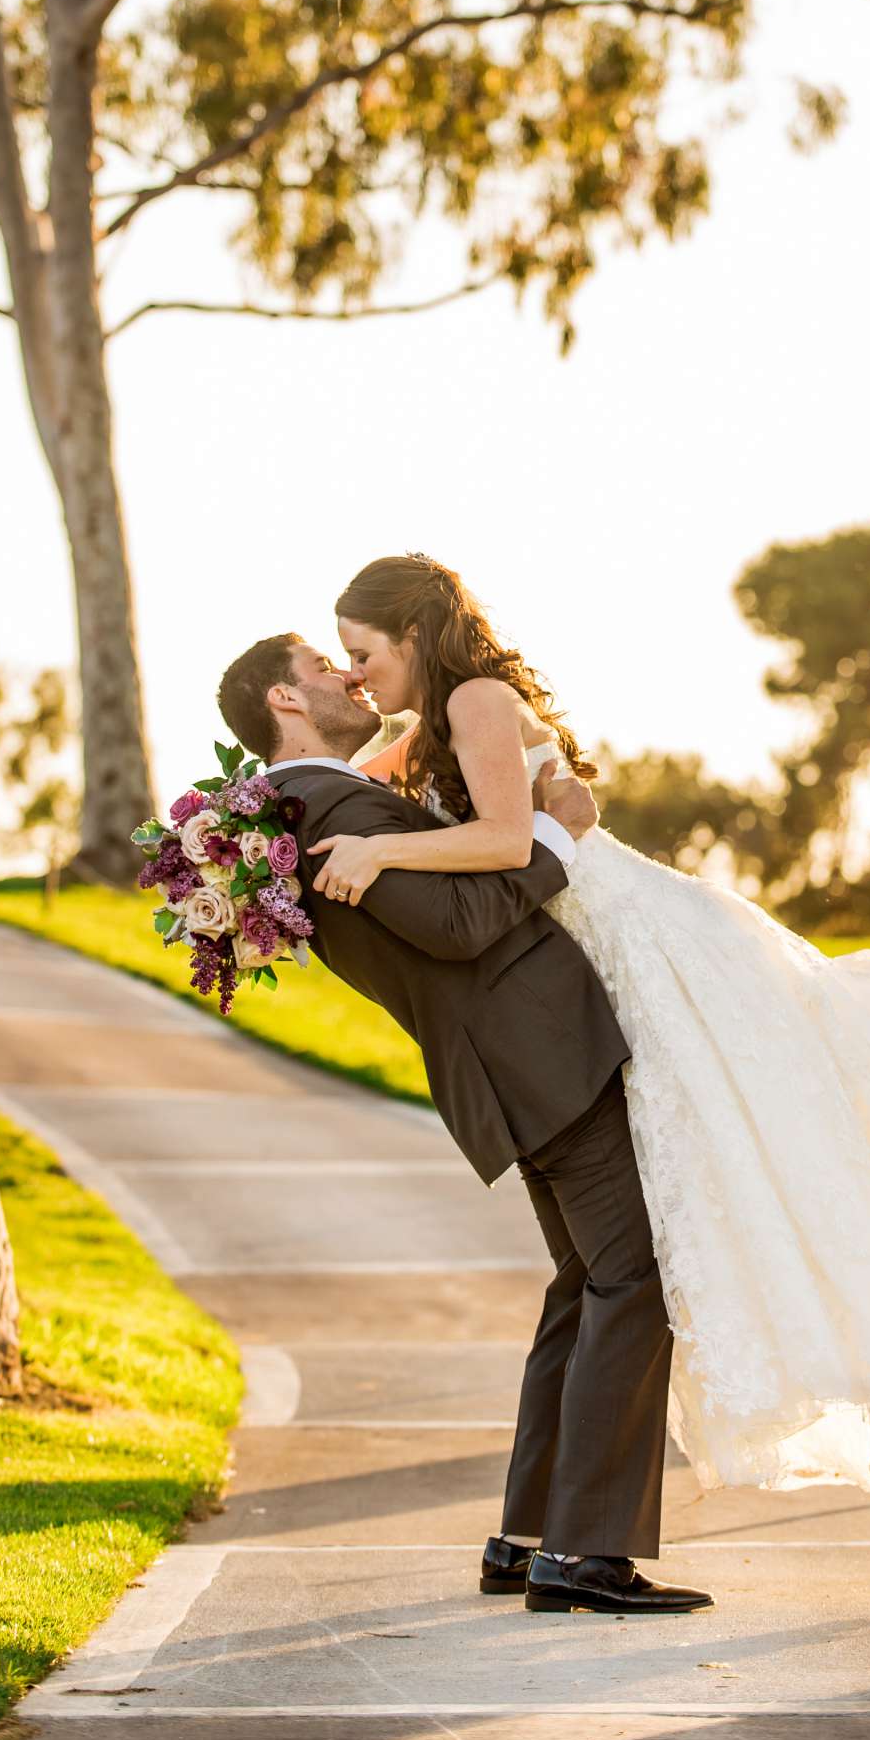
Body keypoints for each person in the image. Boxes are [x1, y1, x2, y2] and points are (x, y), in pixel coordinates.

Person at [300, 552, 870, 1573]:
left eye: (363, 654)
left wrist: (383, 854)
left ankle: (568, 1536)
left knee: (745, 1140)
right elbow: (325, 793)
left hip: (630, 932)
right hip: (578, 955)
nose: (358, 677)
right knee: (629, 1244)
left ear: (412, 635)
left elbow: (503, 840)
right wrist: (248, 843)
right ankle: (559, 1541)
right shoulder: (422, 729)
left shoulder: (481, 701)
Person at [215, 631, 714, 1617]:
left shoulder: (305, 809)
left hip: (516, 1068)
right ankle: (586, 1553)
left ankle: (532, 1542)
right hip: (538, 1059)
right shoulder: (328, 810)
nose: (347, 677)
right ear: (284, 697)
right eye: (326, 664)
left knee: (588, 1284)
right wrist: (559, 835)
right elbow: (458, 927)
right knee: (632, 1280)